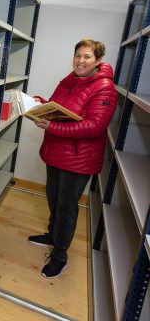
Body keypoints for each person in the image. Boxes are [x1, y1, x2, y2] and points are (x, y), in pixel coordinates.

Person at [28, 39, 117, 278]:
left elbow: (94, 126)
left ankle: (59, 256)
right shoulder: (69, 81)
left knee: (66, 208)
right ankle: (52, 236)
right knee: (54, 200)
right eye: (78, 55)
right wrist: (40, 103)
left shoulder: (105, 87)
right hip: (56, 152)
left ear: (98, 61)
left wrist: (52, 128)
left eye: (87, 56)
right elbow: (59, 109)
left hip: (78, 159)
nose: (81, 60)